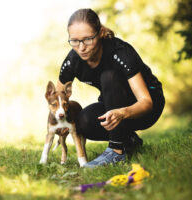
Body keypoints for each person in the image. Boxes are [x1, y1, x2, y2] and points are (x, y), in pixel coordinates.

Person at [56, 8, 165, 168]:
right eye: (74, 41)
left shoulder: (120, 52)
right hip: (114, 104)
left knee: (109, 76)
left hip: (148, 106)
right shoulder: (73, 61)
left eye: (87, 39)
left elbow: (146, 102)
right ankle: (130, 140)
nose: (81, 48)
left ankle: (116, 150)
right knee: (83, 121)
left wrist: (123, 113)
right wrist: (63, 120)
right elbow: (58, 97)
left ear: (100, 33)